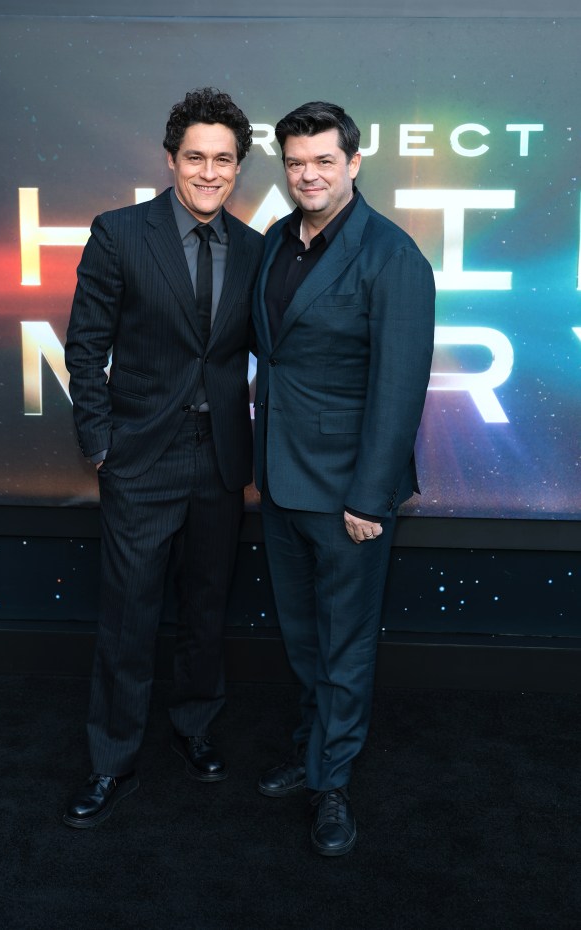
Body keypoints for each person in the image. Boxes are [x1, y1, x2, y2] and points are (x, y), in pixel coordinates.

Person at [63, 88, 263, 829]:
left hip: (221, 459)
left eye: (223, 160)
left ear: (238, 166)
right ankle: (111, 760)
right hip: (141, 457)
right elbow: (85, 347)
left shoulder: (256, 248)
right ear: (171, 159)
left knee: (206, 609)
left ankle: (195, 726)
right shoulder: (119, 233)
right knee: (129, 615)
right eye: (196, 157)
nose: (209, 172)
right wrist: (101, 443)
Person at [252, 101, 435, 856]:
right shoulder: (274, 240)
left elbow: (400, 388)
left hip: (347, 496)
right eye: (296, 162)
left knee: (345, 648)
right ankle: (310, 750)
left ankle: (332, 782)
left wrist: (370, 497)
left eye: (324, 160)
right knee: (302, 639)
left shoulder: (393, 255)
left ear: (354, 163)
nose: (309, 175)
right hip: (279, 482)